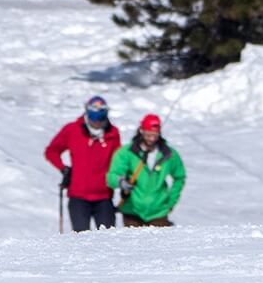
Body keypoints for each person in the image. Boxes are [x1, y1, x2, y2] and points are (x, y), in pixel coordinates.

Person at [44, 95, 123, 232]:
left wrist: (119, 178)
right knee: (81, 240)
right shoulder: (72, 130)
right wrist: (63, 168)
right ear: (87, 113)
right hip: (78, 196)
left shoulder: (113, 133)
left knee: (108, 240)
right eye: (93, 116)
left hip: (104, 196)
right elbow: (52, 151)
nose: (97, 121)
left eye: (101, 116)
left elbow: (119, 160)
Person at [108, 113, 187, 227]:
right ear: (141, 131)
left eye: (155, 135)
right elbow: (112, 175)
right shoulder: (127, 152)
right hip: (132, 211)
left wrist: (170, 202)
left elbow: (179, 177)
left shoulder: (168, 154)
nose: (152, 139)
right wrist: (121, 182)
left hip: (158, 212)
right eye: (148, 135)